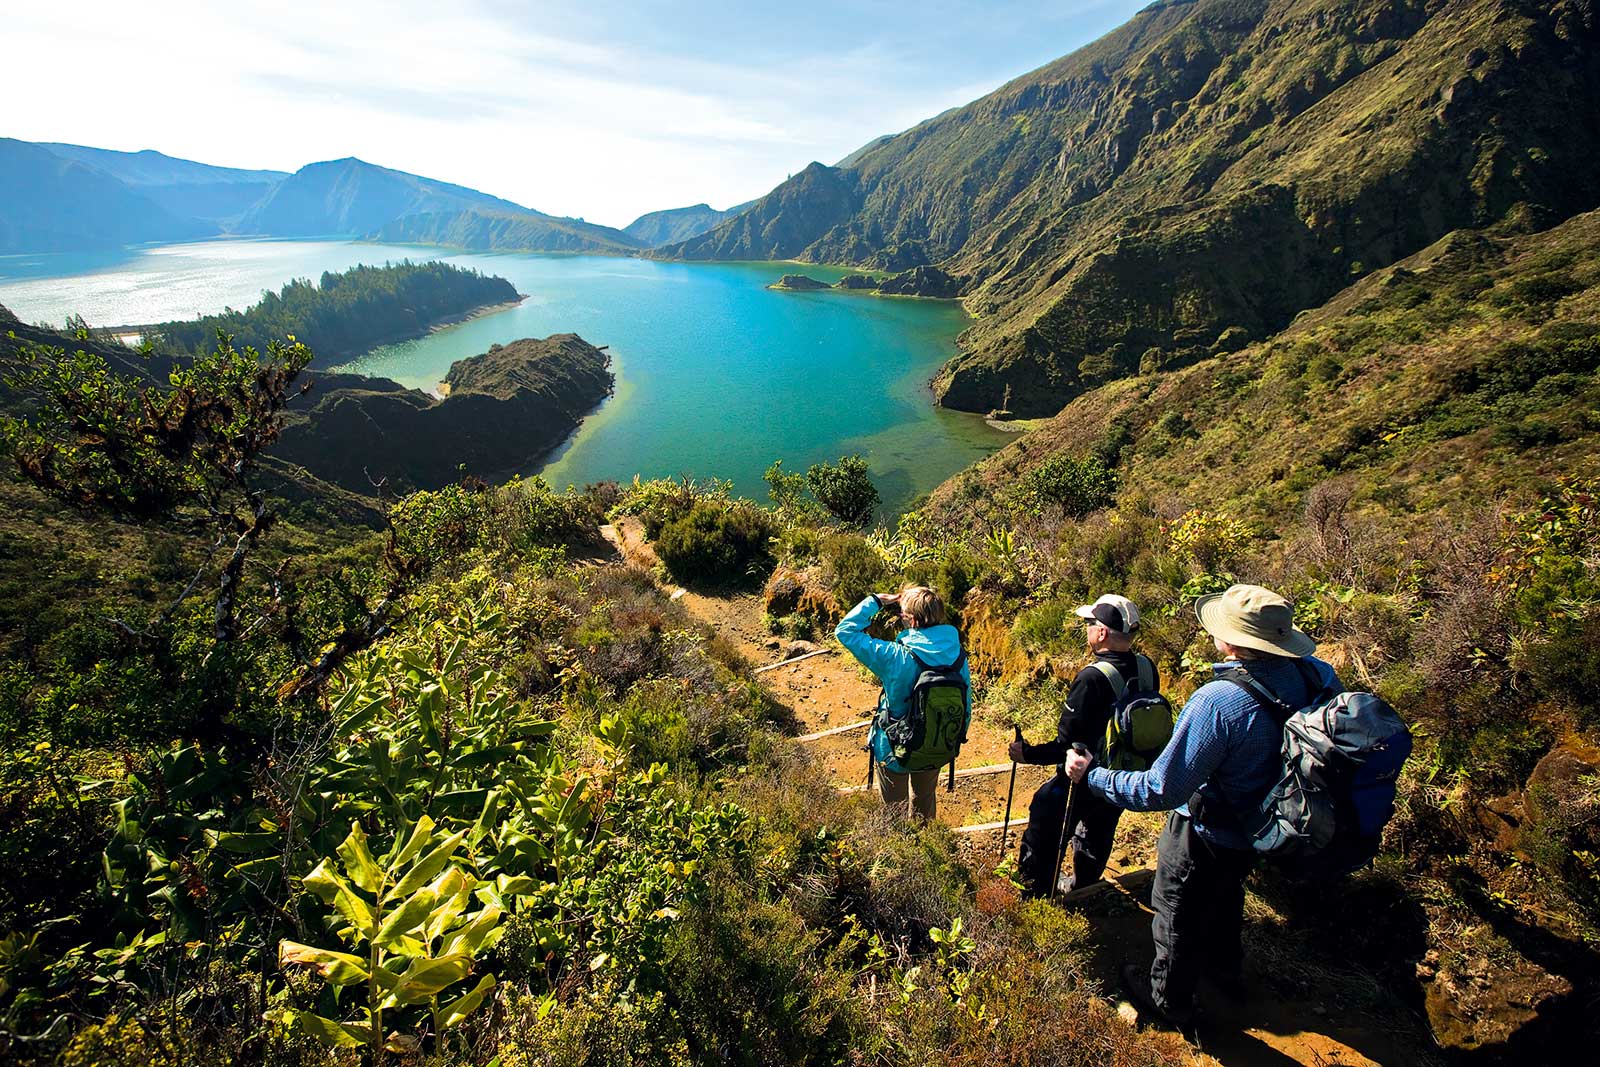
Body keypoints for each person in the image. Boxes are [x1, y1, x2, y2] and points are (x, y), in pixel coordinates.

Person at [1064, 583, 1342, 1029]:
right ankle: (1224, 969)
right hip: (1271, 819)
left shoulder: (1218, 701)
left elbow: (1162, 790)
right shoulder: (1316, 676)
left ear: (1233, 640)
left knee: (1176, 906)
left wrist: (1093, 776)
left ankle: (1168, 1000)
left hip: (1209, 826)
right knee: (1227, 890)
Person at [1007, 593, 1156, 897]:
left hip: (1084, 776)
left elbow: (1067, 745)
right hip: (1124, 771)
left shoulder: (1092, 677)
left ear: (1102, 632)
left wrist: (1028, 754)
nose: (1086, 627)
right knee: (1100, 828)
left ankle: (1036, 894)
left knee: (1045, 816)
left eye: (1090, 622)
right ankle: (1084, 885)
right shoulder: (1146, 667)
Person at [836, 585, 970, 821]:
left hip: (894, 748)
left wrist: (876, 601)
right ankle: (928, 846)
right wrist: (948, 738)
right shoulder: (957, 655)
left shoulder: (895, 655)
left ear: (913, 621)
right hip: (936, 743)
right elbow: (965, 707)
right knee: (925, 799)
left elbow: (845, 631)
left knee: (893, 813)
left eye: (902, 615)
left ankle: (901, 853)